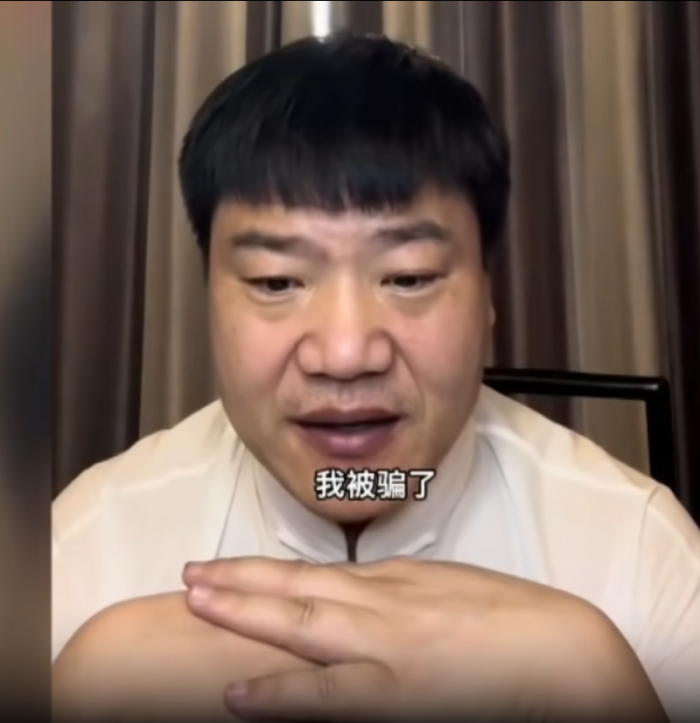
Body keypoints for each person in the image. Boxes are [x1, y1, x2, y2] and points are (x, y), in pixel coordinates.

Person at [52, 32, 700, 722]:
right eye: (276, 280)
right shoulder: (88, 548)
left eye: (409, 277)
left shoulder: (636, 549)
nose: (345, 353)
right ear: (208, 297)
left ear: (488, 295)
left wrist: (601, 682)